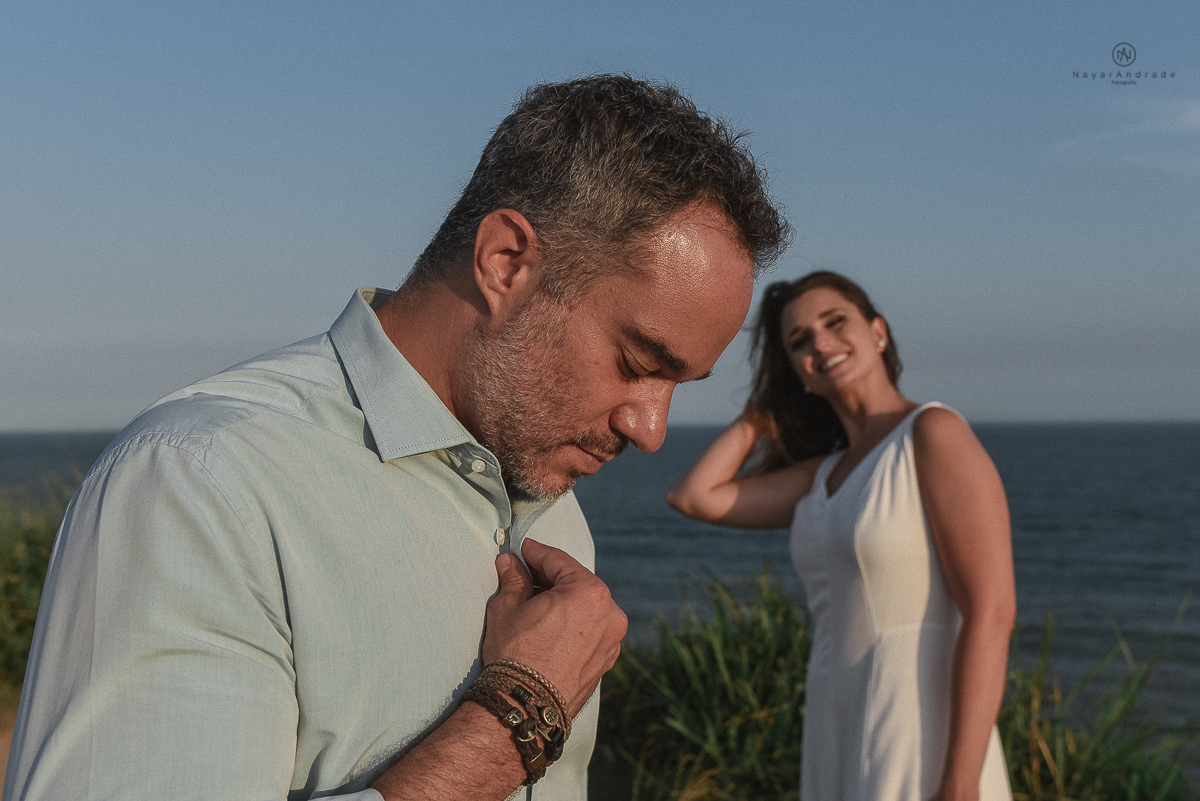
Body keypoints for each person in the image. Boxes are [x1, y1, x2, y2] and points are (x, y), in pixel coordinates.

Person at [5, 75, 790, 801]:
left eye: (675, 386)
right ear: (506, 261)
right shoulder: (202, 484)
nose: (650, 429)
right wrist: (513, 720)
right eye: (635, 362)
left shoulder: (555, 505)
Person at [667, 271, 1015, 801]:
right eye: (799, 341)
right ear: (796, 372)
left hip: (918, 725)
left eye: (835, 323)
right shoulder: (823, 475)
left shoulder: (932, 433)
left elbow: (992, 610)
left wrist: (961, 783)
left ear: (878, 332)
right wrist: (766, 409)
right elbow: (695, 496)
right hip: (837, 721)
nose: (821, 344)